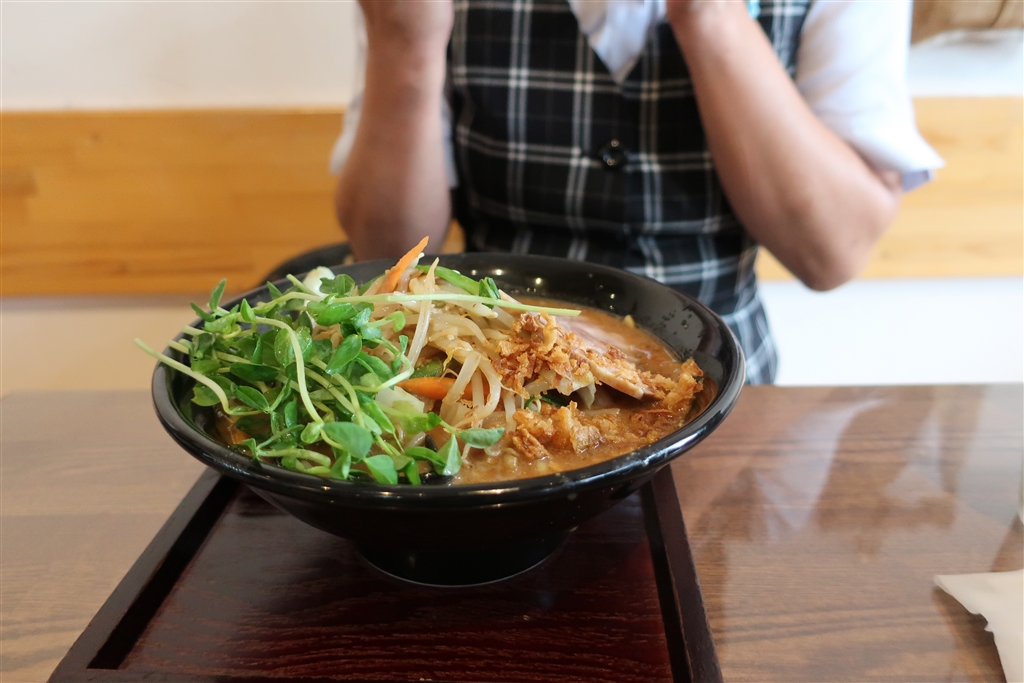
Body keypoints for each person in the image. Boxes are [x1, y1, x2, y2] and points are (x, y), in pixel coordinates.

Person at [331, 0, 942, 384]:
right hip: (485, 387)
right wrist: (405, 43)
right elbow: (384, 249)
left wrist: (711, 17)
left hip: (723, 397)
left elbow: (831, 253)